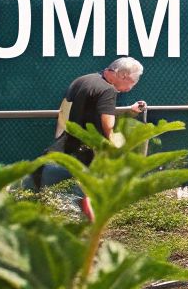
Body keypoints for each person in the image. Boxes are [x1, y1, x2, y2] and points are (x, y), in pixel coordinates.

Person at [35, 57, 148, 220]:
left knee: (64, 183)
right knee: (93, 188)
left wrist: (129, 111)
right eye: (133, 81)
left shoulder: (83, 80)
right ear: (123, 75)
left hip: (70, 140)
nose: (131, 87)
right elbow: (107, 122)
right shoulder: (108, 90)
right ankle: (90, 223)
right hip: (90, 146)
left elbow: (68, 109)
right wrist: (112, 145)